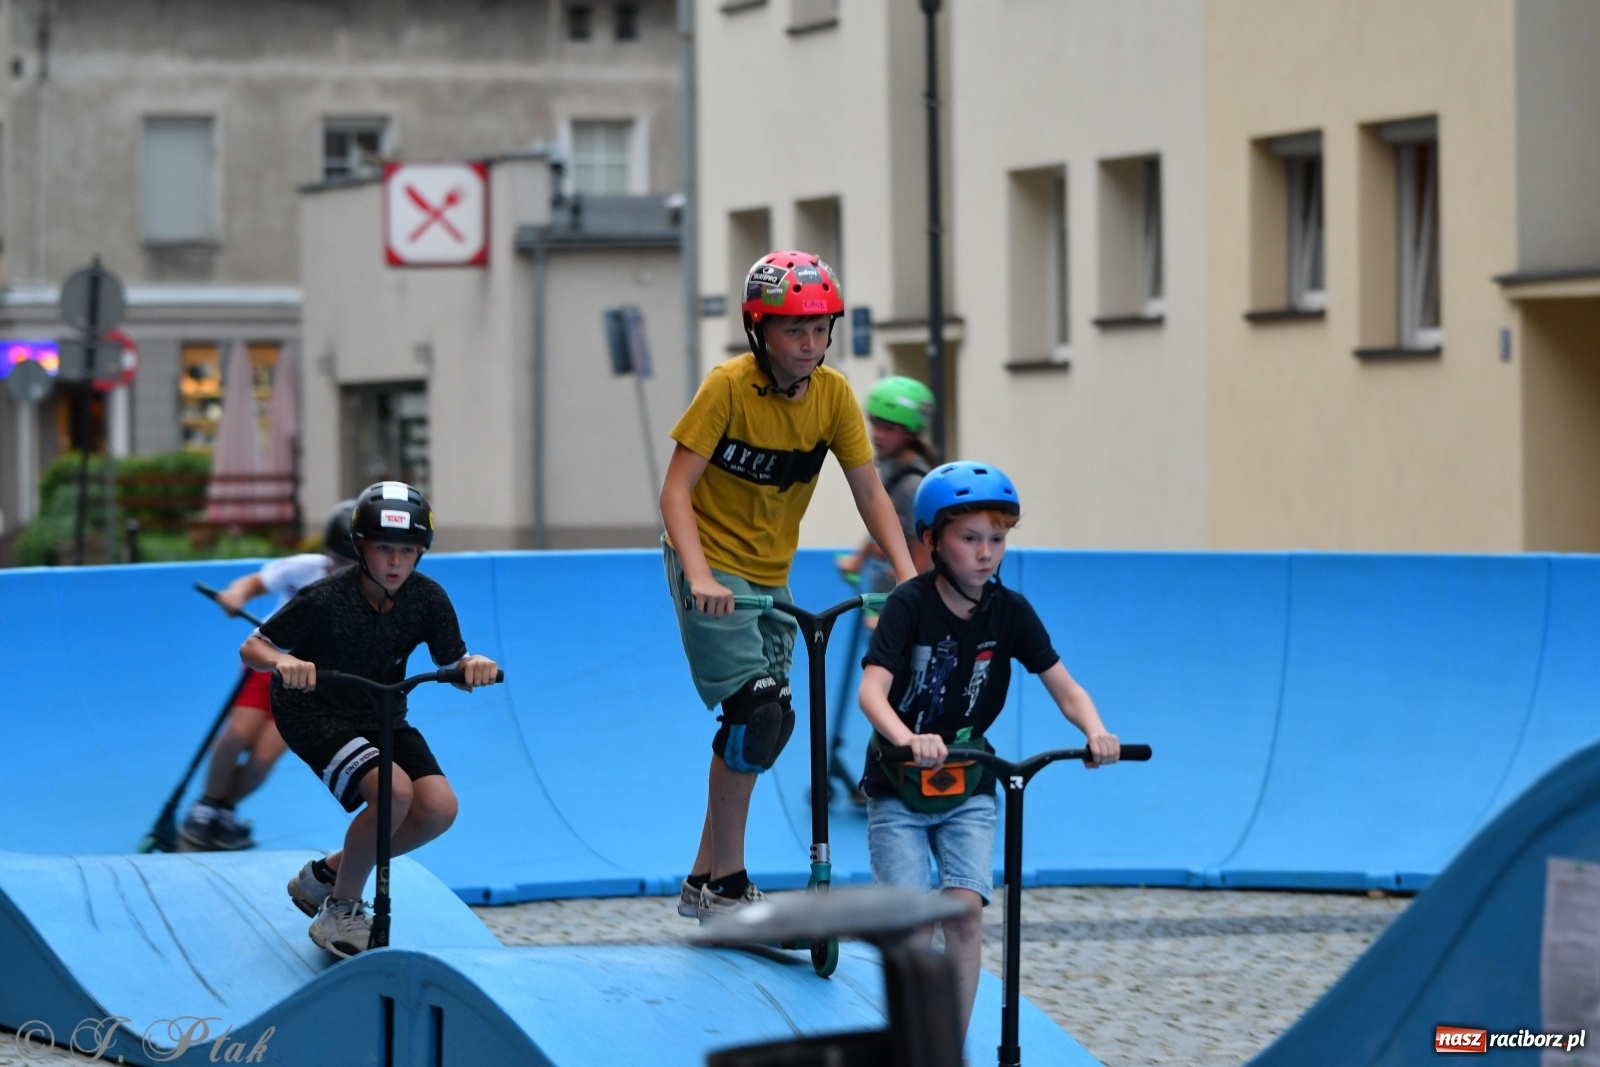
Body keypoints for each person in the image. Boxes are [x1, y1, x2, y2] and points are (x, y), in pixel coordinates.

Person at [661, 249, 918, 923]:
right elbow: (675, 491)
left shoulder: (832, 397)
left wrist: (911, 578)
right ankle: (728, 884)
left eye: (819, 329)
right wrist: (697, 575)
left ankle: (699, 878)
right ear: (759, 331)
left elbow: (872, 494)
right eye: (792, 331)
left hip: (770, 572)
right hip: (712, 564)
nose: (809, 345)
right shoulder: (726, 387)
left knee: (767, 724)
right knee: (756, 709)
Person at [857, 461, 1122, 1044]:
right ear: (931, 540)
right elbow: (870, 692)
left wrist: (1095, 730)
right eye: (969, 538)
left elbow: (1065, 686)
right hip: (899, 782)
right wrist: (907, 738)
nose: (985, 553)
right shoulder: (908, 604)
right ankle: (911, 1038)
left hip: (969, 781)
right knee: (909, 926)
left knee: (963, 912)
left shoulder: (1011, 612)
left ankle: (946, 1046)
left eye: (996, 539)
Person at [240, 481, 499, 958]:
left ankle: (326, 874)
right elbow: (252, 646)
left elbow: (455, 664)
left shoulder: (428, 598)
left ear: (421, 552)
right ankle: (341, 908)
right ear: (360, 547)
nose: (395, 562)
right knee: (394, 791)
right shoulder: (325, 596)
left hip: (381, 712)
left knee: (438, 809)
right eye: (384, 549)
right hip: (315, 712)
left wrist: (472, 668)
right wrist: (283, 663)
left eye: (407, 550)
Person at [178, 501, 360, 851]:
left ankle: (223, 810)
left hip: (308, 686)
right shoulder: (306, 569)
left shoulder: (367, 597)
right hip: (268, 666)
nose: (344, 571)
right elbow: (256, 581)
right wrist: (236, 594)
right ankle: (205, 808)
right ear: (326, 554)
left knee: (263, 759)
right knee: (237, 737)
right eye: (339, 562)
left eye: (354, 565)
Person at [837, 375, 937, 627]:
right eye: (876, 424)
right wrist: (858, 560)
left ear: (910, 434)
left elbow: (923, 561)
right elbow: (883, 522)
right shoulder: (894, 471)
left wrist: (891, 617)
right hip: (889, 600)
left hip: (906, 611)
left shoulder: (912, 486)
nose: (878, 435)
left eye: (889, 429)